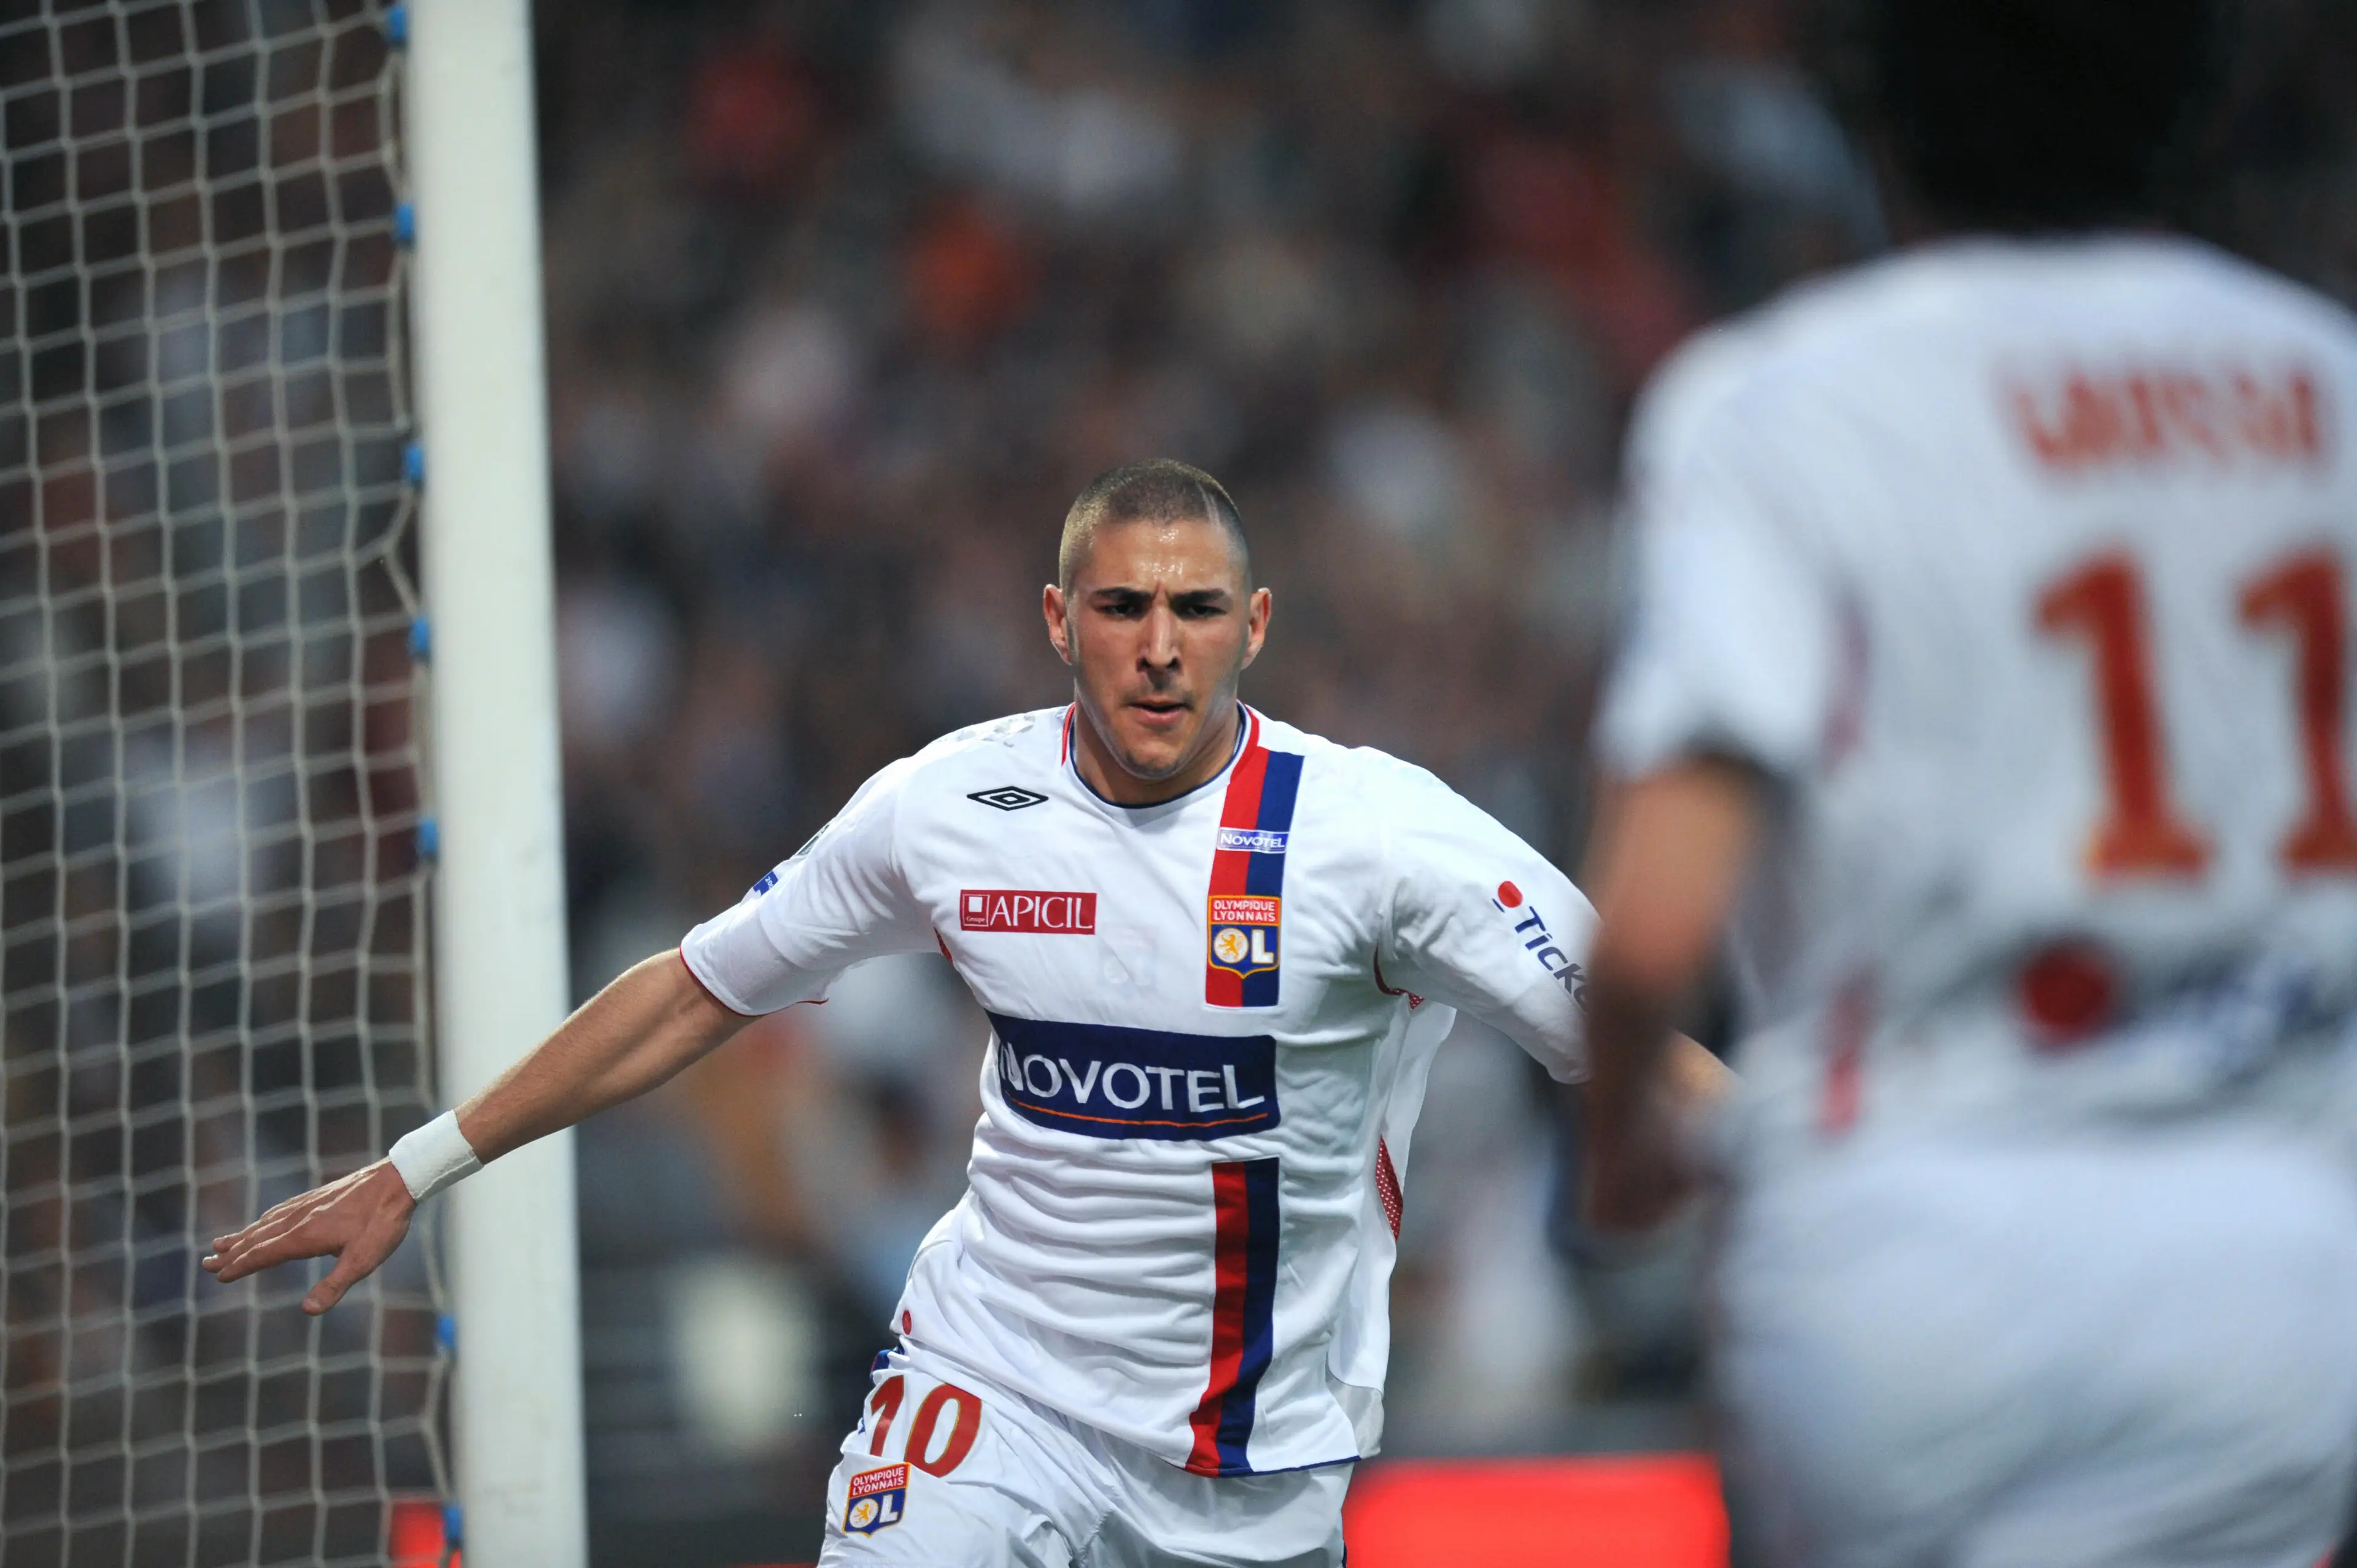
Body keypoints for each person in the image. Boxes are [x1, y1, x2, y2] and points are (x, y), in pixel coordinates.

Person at [206, 458, 1721, 1567]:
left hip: (1252, 1470)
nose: (1159, 644)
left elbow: (1647, 1060)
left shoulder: (1387, 843)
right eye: (1121, 605)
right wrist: (419, 1163)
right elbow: (693, 989)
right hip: (990, 1385)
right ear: (1057, 617)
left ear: (1255, 623)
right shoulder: (948, 809)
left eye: (1196, 608)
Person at [1576, 1, 2357, 1564]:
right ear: (2190, 107)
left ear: (1879, 126)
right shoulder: (2323, 380)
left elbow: (1655, 923)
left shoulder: (1779, 399)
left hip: (1905, 1258)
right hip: (2272, 1264)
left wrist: (1618, 1156)